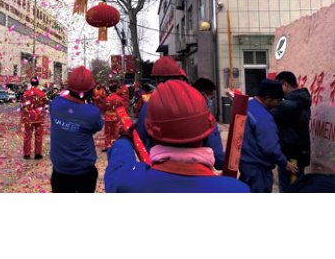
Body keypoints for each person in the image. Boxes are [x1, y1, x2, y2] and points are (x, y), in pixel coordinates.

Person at [104, 80, 250, 193]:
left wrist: (125, 142)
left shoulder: (127, 182)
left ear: (152, 134)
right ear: (206, 134)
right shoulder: (236, 190)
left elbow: (119, 165)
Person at [49, 66, 104, 193]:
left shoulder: (56, 103)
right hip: (84, 171)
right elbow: (97, 126)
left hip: (60, 171)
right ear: (90, 91)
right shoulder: (92, 112)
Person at [239, 79, 298, 193]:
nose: (279, 104)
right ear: (267, 99)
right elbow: (270, 147)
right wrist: (284, 163)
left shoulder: (248, 106)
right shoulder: (264, 117)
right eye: (278, 101)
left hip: (245, 165)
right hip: (259, 170)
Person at [272, 71, 312, 193]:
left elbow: (267, 112)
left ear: (285, 85)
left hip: (291, 154)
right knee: (297, 186)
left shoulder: (289, 105)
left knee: (288, 188)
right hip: (301, 151)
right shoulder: (302, 100)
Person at [136, 56, 187, 152]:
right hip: (191, 160)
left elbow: (140, 136)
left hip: (157, 159)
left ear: (157, 80)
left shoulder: (151, 104)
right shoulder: (192, 101)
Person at [192, 78, 226, 171]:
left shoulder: (179, 113)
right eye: (211, 98)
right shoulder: (207, 119)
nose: (211, 102)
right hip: (200, 171)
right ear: (202, 95)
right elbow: (217, 156)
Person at [20, 77, 47, 160]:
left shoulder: (26, 93)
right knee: (38, 135)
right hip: (38, 117)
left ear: (31, 83)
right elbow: (43, 105)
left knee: (27, 135)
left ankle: (27, 154)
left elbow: (23, 104)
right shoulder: (42, 94)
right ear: (38, 83)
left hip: (28, 116)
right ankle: (37, 153)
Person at [102, 81, 124, 152]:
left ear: (109, 90)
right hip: (116, 117)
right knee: (115, 132)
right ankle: (115, 145)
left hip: (108, 117)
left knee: (108, 132)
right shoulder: (119, 99)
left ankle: (108, 146)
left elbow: (104, 107)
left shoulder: (107, 98)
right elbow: (121, 107)